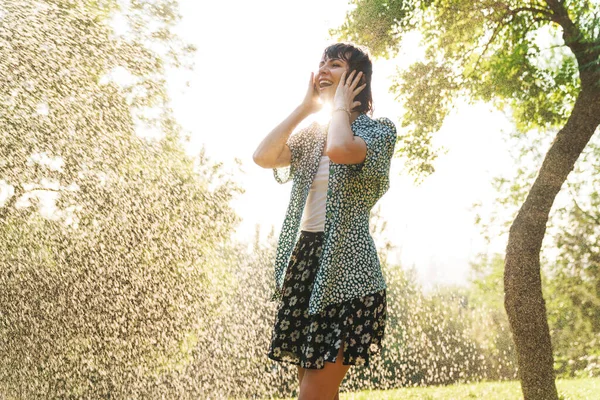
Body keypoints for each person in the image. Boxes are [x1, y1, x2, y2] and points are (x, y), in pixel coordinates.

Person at [252, 42, 397, 400]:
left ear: (356, 79)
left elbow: (340, 150)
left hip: (349, 275)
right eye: (320, 64)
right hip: (306, 264)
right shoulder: (312, 135)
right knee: (315, 390)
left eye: (333, 64)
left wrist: (342, 108)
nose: (322, 70)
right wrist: (305, 108)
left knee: (313, 394)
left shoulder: (377, 132)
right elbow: (263, 156)